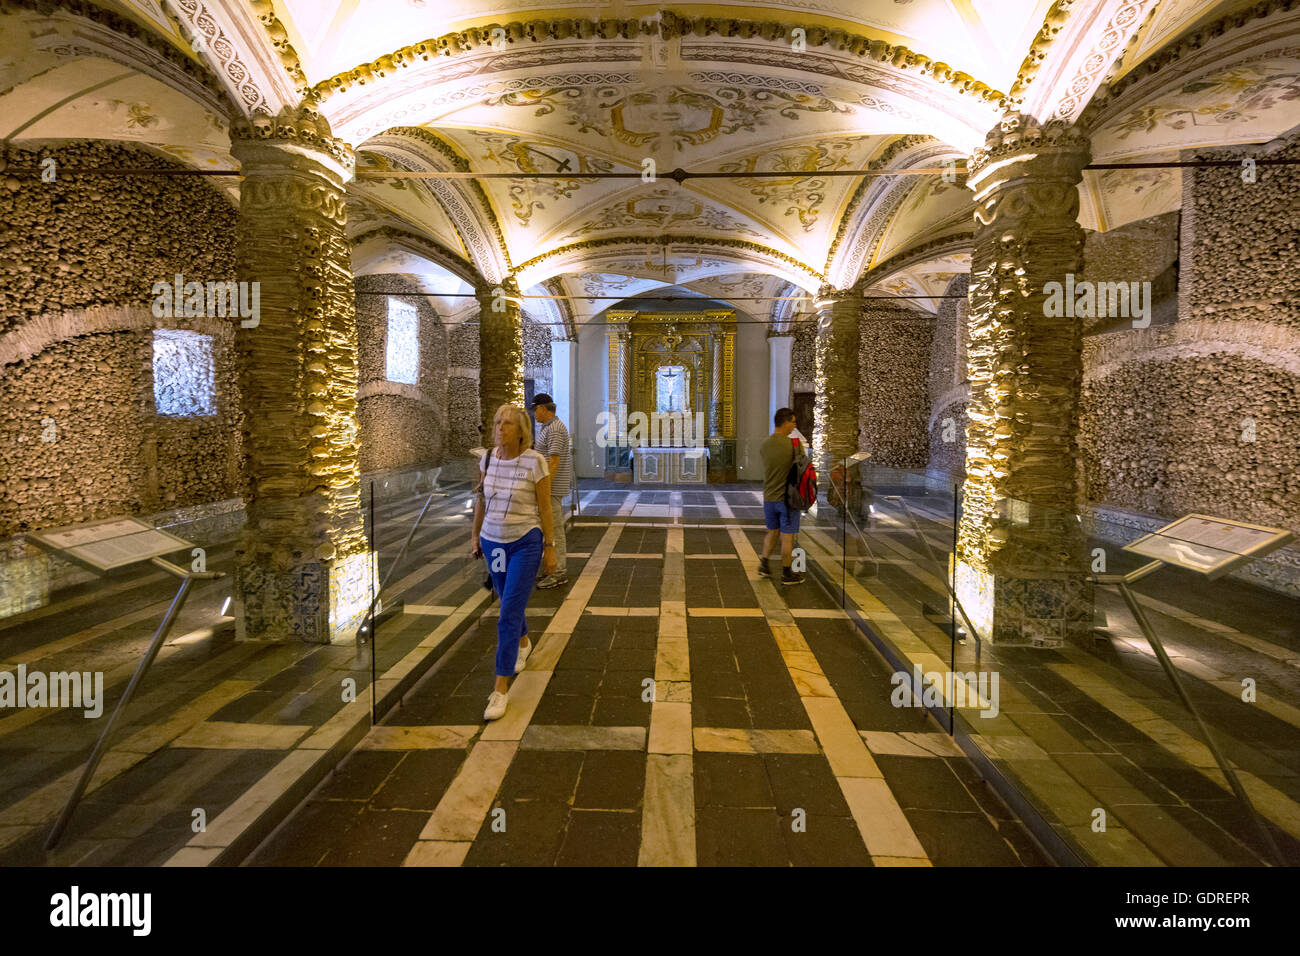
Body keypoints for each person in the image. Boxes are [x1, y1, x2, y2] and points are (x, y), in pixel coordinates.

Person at [470, 403, 558, 721]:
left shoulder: (535, 462)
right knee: (509, 601)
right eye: (497, 422)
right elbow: (481, 499)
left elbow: (545, 508)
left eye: (507, 423)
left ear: (521, 431)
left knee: (506, 613)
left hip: (525, 542)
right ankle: (523, 641)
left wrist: (550, 547)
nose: (499, 428)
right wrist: (475, 536)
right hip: (494, 543)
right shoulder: (489, 458)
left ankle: (500, 689)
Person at [759, 407, 805, 585]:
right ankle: (787, 573)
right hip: (787, 499)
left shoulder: (765, 444)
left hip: (769, 498)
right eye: (793, 422)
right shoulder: (794, 445)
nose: (794, 426)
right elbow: (802, 469)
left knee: (772, 531)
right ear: (785, 422)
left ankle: (764, 564)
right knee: (787, 537)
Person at [530, 393, 572, 589]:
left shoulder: (554, 429)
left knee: (554, 529)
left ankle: (559, 571)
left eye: (535, 409)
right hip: (549, 486)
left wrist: (544, 487)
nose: (534, 413)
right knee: (549, 528)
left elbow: (554, 461)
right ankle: (550, 568)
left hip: (551, 488)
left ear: (544, 409)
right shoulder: (549, 428)